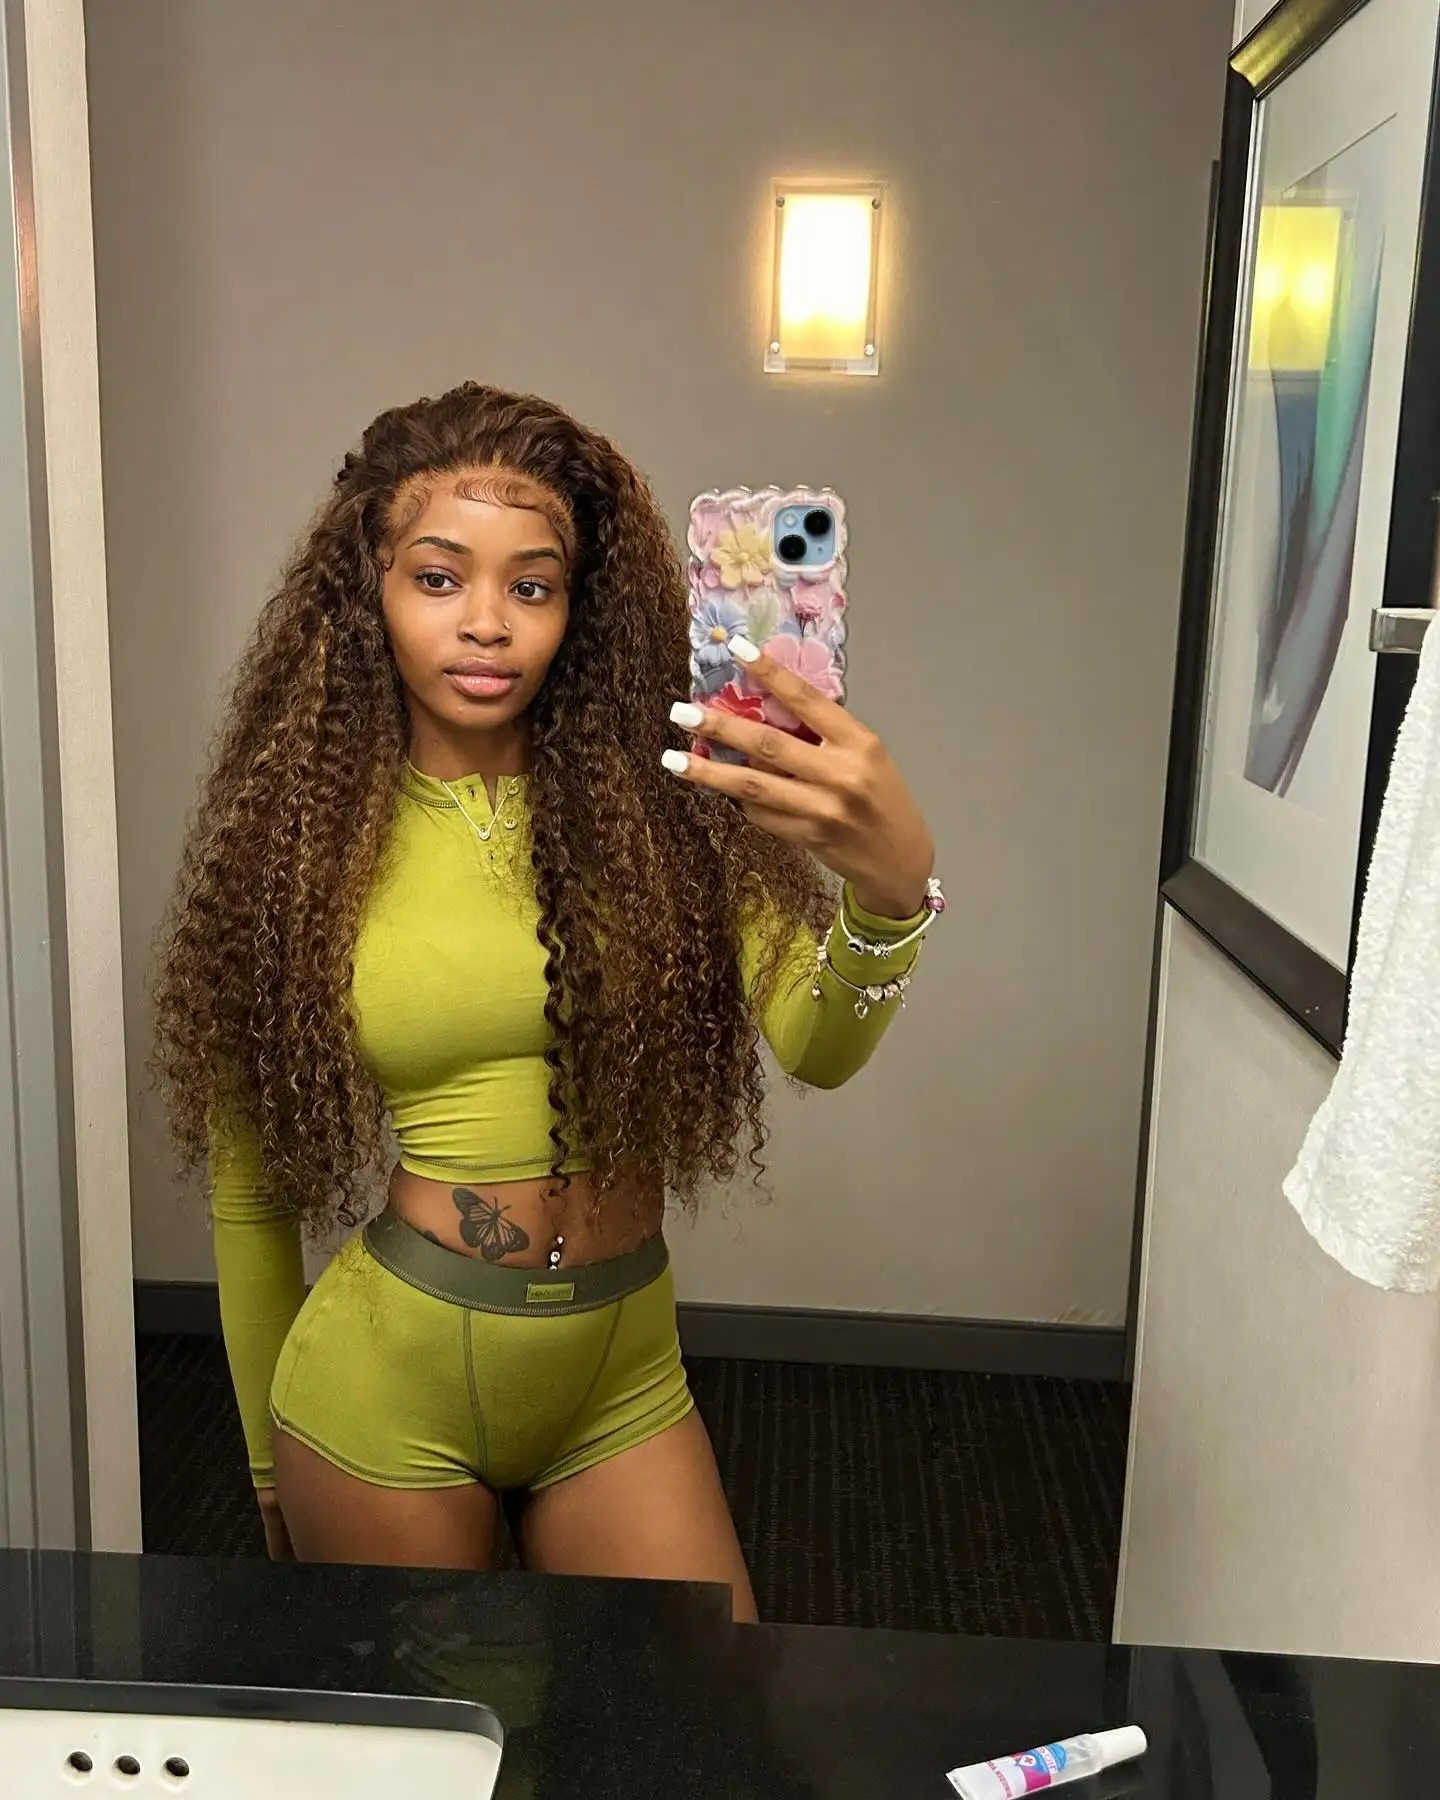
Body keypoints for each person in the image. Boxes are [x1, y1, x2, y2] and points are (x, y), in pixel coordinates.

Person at [153, 383, 938, 1621]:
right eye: (438, 578)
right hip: (387, 1390)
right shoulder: (299, 843)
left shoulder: (664, 811)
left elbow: (817, 1045)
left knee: (703, 1712)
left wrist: (889, 897)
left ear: (581, 608)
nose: (487, 623)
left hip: (620, 1376)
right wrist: (262, 1464)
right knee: (460, 1725)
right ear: (368, 590)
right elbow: (252, 1192)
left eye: (532, 586)